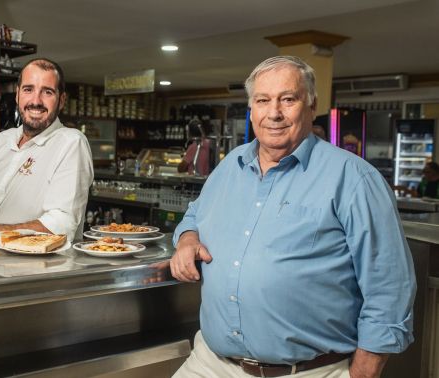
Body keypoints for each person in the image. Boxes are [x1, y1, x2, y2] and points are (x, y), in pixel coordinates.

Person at [170, 56, 415, 377]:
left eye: (288, 99)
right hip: (210, 363)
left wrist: (364, 373)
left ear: (311, 106)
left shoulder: (354, 178)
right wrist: (187, 239)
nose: (274, 113)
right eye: (262, 100)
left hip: (307, 371)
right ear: (251, 109)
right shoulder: (231, 165)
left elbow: (389, 287)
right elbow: (194, 215)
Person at [0, 58, 94, 247]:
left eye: (47, 92)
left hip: (38, 270)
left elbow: (61, 223)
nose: (36, 101)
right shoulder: (2, 140)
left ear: (61, 101)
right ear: (18, 95)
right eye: (28, 90)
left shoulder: (71, 142)